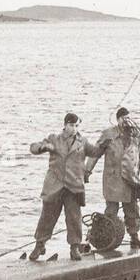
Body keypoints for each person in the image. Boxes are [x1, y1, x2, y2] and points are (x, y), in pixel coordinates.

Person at [29, 111, 102, 261]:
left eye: (76, 125)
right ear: (65, 125)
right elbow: (33, 147)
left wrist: (105, 144)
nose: (74, 128)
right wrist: (44, 147)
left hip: (73, 186)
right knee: (47, 217)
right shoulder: (54, 139)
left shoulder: (82, 142)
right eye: (71, 125)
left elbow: (95, 152)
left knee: (74, 218)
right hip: (55, 185)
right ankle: (39, 245)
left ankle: (74, 248)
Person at [86, 106, 140, 250]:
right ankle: (106, 239)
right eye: (123, 118)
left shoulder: (136, 135)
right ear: (117, 120)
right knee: (111, 210)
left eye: (128, 118)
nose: (126, 121)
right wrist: (87, 171)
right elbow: (95, 153)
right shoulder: (108, 135)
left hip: (131, 179)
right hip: (113, 179)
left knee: (132, 210)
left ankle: (134, 237)